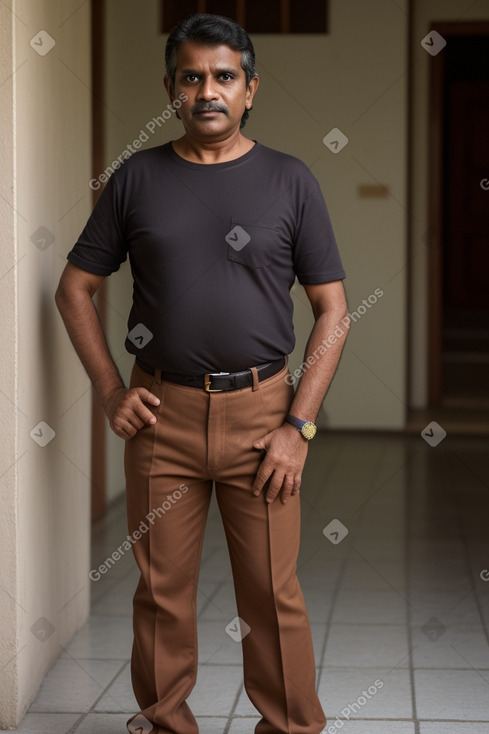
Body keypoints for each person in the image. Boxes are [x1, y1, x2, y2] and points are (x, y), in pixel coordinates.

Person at [55, 13, 348, 734]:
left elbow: (332, 310)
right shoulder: (137, 178)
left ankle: (289, 728)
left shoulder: (289, 179)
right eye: (192, 77)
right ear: (170, 89)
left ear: (249, 90)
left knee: (270, 596)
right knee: (161, 594)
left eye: (223, 77)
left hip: (262, 421)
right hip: (162, 417)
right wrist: (110, 392)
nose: (207, 91)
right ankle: (165, 724)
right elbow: (73, 289)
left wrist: (297, 426)